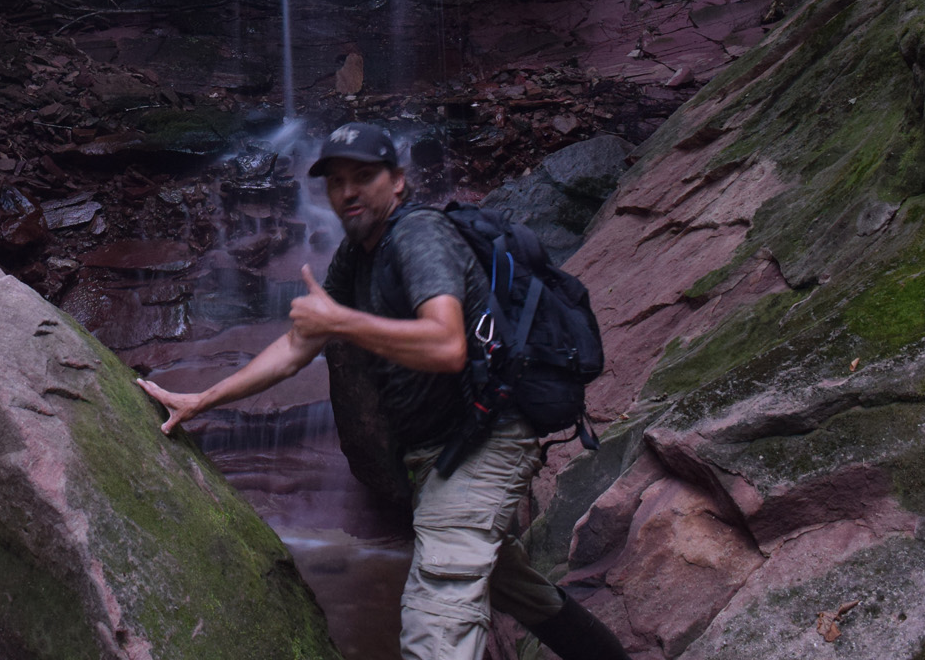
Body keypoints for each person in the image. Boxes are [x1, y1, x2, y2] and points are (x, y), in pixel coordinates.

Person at [138, 123, 627, 660]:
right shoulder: (357, 255)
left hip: (487, 439)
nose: (348, 192)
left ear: (397, 182)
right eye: (337, 181)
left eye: (364, 176)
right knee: (514, 588)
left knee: (436, 616)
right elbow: (299, 346)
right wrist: (201, 400)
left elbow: (446, 344)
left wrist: (342, 320)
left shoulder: (419, 237)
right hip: (436, 453)